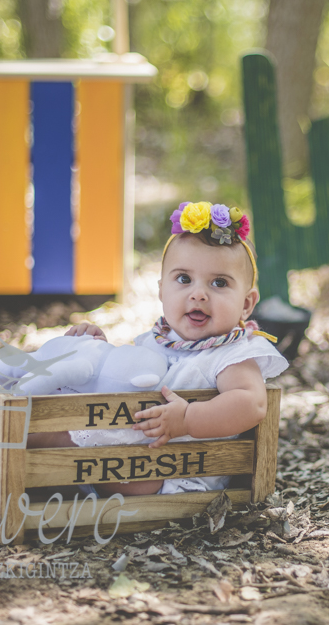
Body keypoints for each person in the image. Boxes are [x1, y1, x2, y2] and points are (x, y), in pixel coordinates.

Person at [32, 201, 288, 497]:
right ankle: (16, 451)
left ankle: (18, 451)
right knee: (61, 432)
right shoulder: (157, 339)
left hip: (174, 468)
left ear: (246, 303)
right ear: (161, 290)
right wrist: (98, 352)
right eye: (184, 279)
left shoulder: (230, 355)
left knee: (67, 442)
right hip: (128, 452)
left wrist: (187, 419)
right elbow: (123, 376)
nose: (199, 294)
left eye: (219, 283)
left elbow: (251, 403)